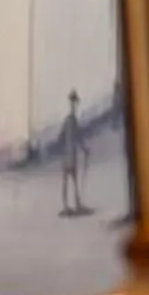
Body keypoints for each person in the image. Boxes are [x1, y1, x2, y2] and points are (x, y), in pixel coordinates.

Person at [58, 89, 88, 217]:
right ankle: (67, 205)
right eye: (73, 102)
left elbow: (78, 137)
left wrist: (84, 149)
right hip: (68, 155)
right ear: (71, 103)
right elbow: (62, 137)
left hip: (70, 155)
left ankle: (74, 204)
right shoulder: (70, 120)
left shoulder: (72, 120)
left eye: (76, 102)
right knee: (68, 180)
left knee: (73, 180)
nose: (75, 105)